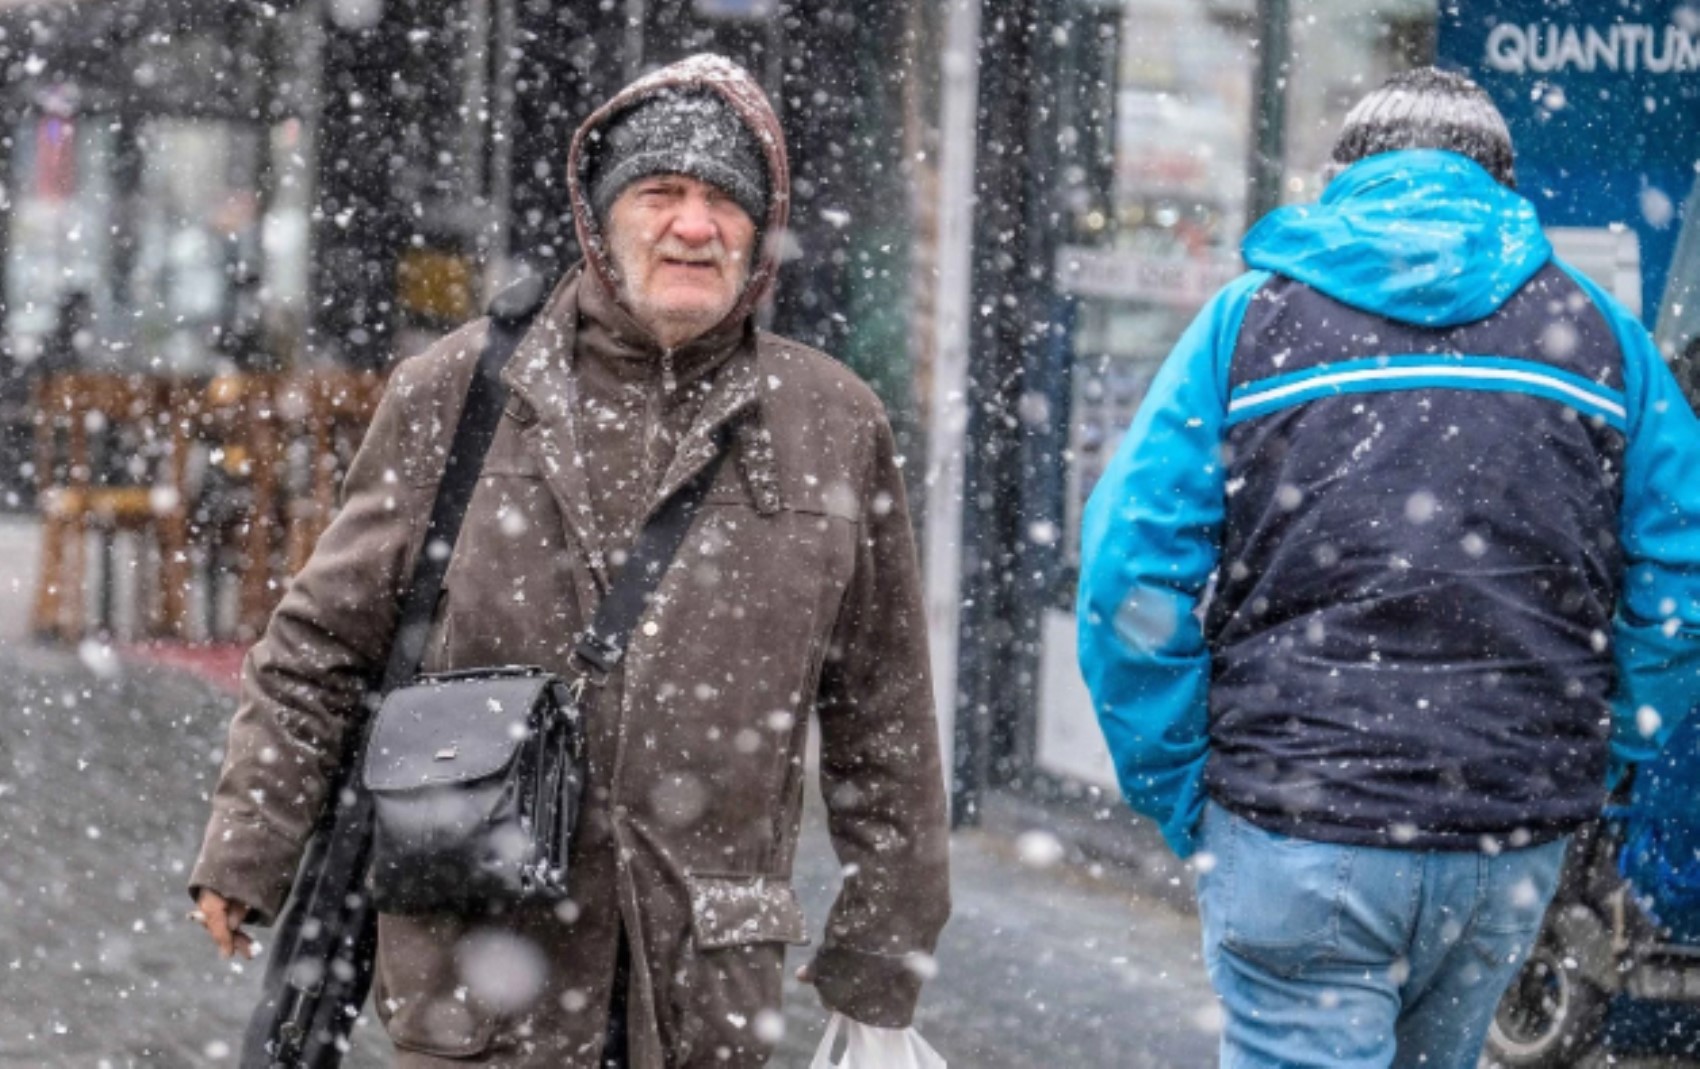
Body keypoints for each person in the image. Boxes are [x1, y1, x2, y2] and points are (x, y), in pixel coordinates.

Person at [189, 54, 950, 1068]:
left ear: (760, 233)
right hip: (480, 961)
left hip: (702, 984)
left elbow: (883, 709)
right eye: (660, 193)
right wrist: (250, 846)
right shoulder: (458, 391)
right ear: (596, 221)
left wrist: (880, 953)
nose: (693, 225)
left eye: (724, 199)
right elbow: (321, 642)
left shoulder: (831, 422)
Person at [1078, 67, 1700, 1067]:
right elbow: (1682, 580)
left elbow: (1127, 581)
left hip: (1294, 829)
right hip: (1504, 838)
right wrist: (1596, 743)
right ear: (1501, 185)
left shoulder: (1247, 326)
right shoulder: (1599, 339)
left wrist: (1180, 784)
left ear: (1343, 179)